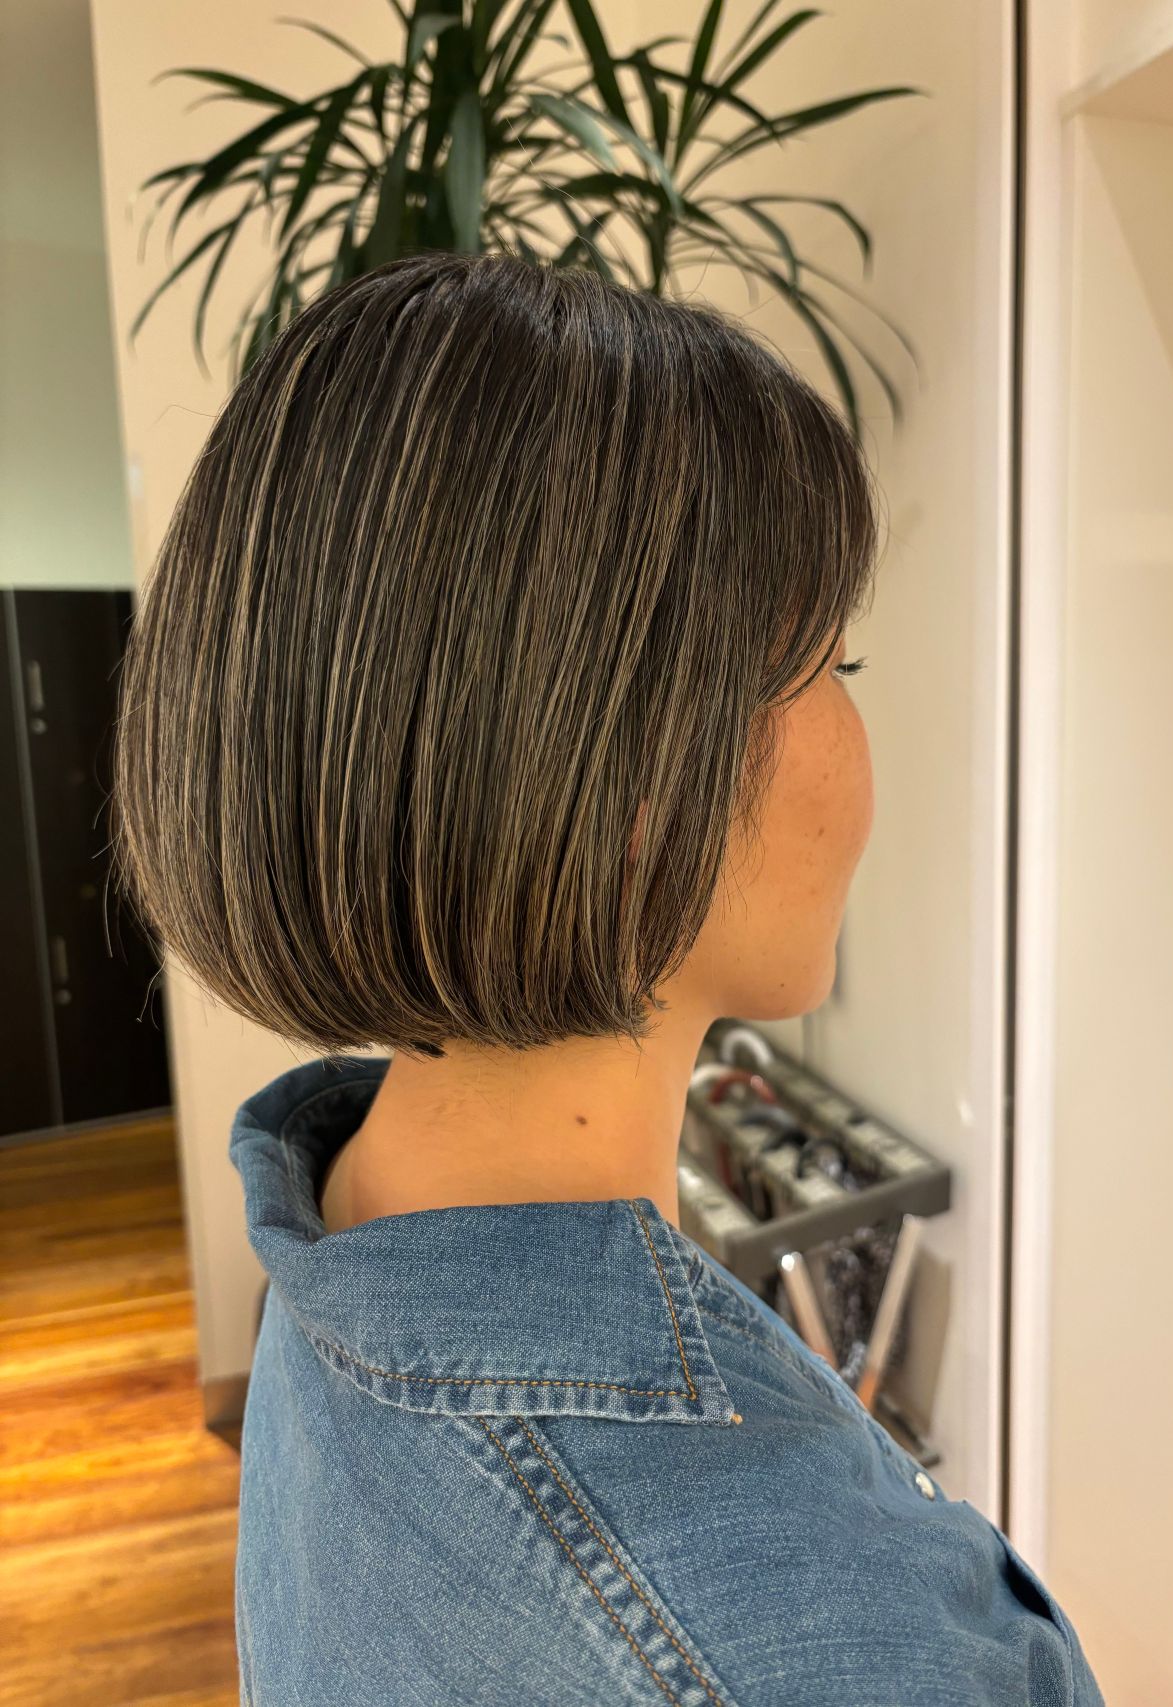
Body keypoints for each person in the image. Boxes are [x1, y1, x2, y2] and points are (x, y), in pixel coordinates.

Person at [110, 251, 1104, 1705]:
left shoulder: (343, 1234)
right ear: (634, 783)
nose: (858, 737)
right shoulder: (820, 1650)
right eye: (833, 666)